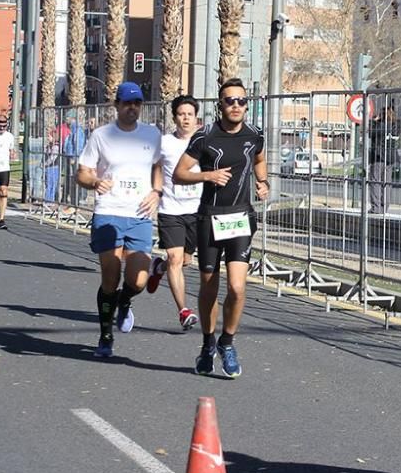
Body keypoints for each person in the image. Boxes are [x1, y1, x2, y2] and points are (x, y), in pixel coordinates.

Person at [174, 78, 268, 378]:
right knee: (209, 288)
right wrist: (208, 177)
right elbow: (179, 174)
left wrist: (263, 182)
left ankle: (227, 342)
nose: (236, 106)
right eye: (230, 101)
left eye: (241, 101)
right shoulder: (205, 137)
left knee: (238, 288)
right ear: (220, 104)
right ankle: (207, 343)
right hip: (209, 218)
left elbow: (259, 159)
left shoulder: (255, 136)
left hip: (240, 218)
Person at [76, 82, 163, 358]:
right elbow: (83, 172)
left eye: (137, 103)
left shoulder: (152, 134)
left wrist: (157, 192)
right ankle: (105, 334)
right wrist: (95, 182)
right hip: (109, 212)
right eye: (127, 103)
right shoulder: (102, 135)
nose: (132, 108)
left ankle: (125, 303)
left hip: (139, 215)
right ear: (116, 105)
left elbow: (158, 166)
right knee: (110, 279)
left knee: (137, 280)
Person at [148, 94, 202, 331]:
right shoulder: (165, 143)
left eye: (189, 114)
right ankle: (183, 311)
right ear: (175, 118)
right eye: (181, 114)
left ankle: (157, 268)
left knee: (186, 260)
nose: (186, 119)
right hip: (170, 209)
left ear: (196, 118)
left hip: (197, 211)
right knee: (176, 259)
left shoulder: (204, 142)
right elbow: (157, 167)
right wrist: (157, 192)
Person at [368, 104, 398, 214]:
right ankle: (384, 207)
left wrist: (374, 121)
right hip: (390, 158)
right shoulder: (395, 127)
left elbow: (370, 132)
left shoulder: (381, 126)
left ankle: (376, 208)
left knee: (375, 182)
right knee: (387, 183)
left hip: (378, 157)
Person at [44, 127, 61, 205]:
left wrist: (45, 164)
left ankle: (50, 200)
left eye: (49, 136)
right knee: (48, 184)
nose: (48, 138)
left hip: (53, 167)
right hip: (49, 167)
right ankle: (48, 199)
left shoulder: (56, 146)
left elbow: (52, 158)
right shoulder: (49, 145)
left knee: (52, 184)